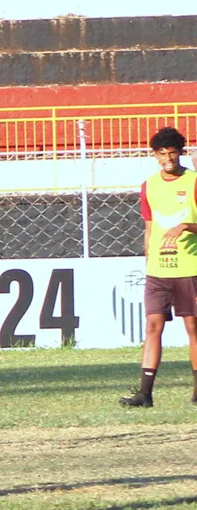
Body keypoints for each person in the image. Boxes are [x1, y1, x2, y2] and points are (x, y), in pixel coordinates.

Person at [119, 127, 197, 407]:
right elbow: (149, 227)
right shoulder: (148, 185)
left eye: (172, 152)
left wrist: (187, 226)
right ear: (154, 155)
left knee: (193, 328)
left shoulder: (193, 181)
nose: (168, 158)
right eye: (162, 153)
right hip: (159, 270)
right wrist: (148, 259)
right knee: (153, 326)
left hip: (190, 268)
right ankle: (145, 393)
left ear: (181, 152)